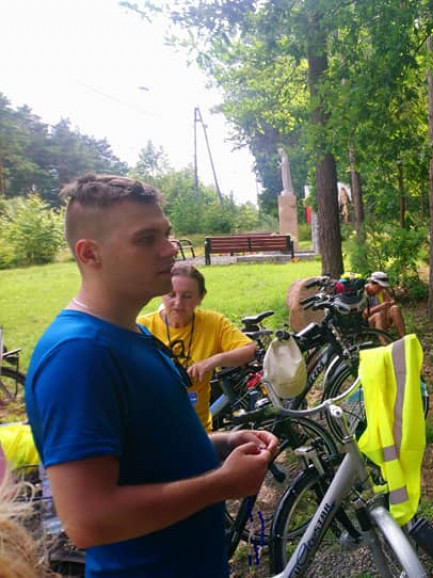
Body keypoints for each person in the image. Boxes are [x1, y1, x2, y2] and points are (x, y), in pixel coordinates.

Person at [25, 174, 277, 577]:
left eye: (167, 233)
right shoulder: (78, 355)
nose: (169, 249)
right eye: (146, 239)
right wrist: (222, 484)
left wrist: (222, 443)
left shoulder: (132, 332)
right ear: (90, 254)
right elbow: (88, 521)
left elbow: (147, 446)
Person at [138, 262, 257, 431]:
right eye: (171, 295)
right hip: (153, 430)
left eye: (187, 296)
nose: (178, 304)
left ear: (200, 298)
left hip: (198, 430)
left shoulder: (213, 323)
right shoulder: (141, 328)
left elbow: (250, 350)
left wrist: (214, 360)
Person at [364, 271, 407, 337]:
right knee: (378, 315)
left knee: (395, 309)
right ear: (373, 283)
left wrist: (388, 304)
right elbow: (364, 314)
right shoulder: (363, 292)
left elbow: (391, 301)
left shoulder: (382, 291)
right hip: (369, 324)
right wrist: (380, 307)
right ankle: (384, 340)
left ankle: (403, 337)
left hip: (383, 319)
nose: (381, 289)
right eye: (380, 287)